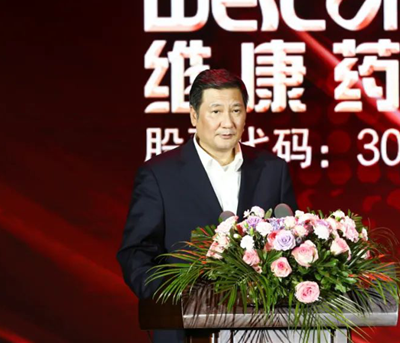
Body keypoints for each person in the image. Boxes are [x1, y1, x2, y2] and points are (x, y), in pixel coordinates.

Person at [117, 69, 298, 343]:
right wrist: (171, 298)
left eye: (236, 110)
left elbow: (292, 244)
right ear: (194, 115)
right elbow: (136, 252)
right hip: (184, 330)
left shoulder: (272, 170)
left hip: (263, 329)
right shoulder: (159, 175)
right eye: (216, 111)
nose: (228, 122)